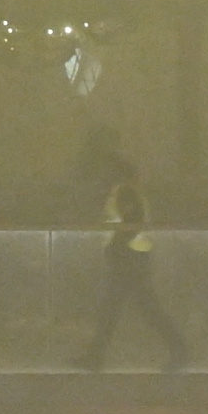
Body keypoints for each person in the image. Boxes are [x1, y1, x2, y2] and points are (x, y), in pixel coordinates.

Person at [76, 130, 184, 373]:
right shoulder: (128, 191)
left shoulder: (125, 192)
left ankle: (179, 351)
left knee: (133, 308)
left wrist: (115, 246)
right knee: (119, 308)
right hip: (132, 258)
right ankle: (95, 357)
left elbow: (131, 223)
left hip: (129, 259)